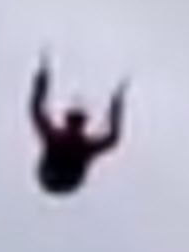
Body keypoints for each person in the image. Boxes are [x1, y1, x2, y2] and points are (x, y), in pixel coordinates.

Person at [26, 54, 127, 195]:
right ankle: (57, 173)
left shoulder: (58, 138)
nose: (74, 129)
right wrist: (117, 104)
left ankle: (59, 173)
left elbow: (35, 109)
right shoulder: (75, 144)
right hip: (56, 176)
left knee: (63, 154)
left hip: (62, 177)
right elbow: (113, 138)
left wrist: (42, 78)